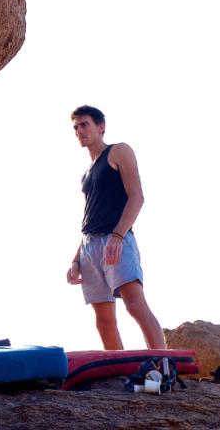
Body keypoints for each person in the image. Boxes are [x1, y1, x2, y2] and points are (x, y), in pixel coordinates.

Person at [65, 105, 167, 350]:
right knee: (103, 322)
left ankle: (165, 367)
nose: (79, 130)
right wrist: (76, 259)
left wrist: (118, 235)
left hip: (116, 240)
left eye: (84, 124)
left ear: (101, 127)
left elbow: (137, 197)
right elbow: (90, 217)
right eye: (75, 127)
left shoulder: (118, 151)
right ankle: (117, 378)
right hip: (90, 246)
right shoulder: (86, 175)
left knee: (134, 306)